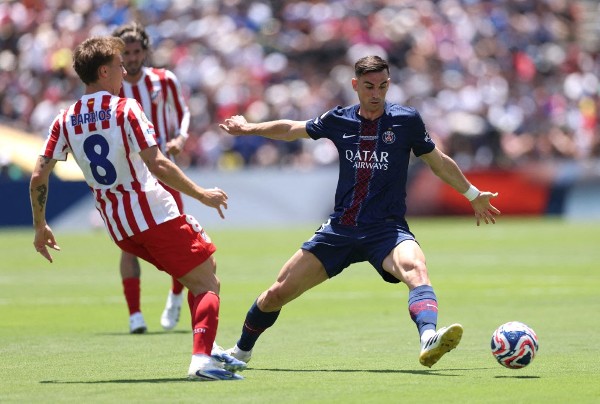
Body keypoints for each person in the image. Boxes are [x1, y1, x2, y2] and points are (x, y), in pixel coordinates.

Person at [219, 55, 500, 368]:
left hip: (386, 229)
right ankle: (240, 352)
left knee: (416, 269)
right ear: (355, 85)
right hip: (341, 228)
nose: (376, 93)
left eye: (382, 86)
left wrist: (472, 194)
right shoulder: (339, 119)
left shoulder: (406, 120)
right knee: (276, 293)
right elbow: (291, 129)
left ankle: (428, 338)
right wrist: (248, 128)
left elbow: (438, 162)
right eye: (369, 86)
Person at [29, 36, 245, 381]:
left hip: (120, 228)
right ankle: (202, 362)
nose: (124, 70)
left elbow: (39, 175)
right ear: (103, 71)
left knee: (204, 268)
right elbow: (157, 163)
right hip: (153, 215)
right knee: (208, 284)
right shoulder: (125, 109)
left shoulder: (65, 119)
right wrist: (202, 194)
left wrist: (40, 226)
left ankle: (208, 344)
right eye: (118, 65)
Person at [112, 22, 190, 334]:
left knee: (179, 237)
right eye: (126, 53)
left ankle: (176, 295)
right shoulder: (113, 87)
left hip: (164, 168)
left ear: (144, 51)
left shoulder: (164, 79)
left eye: (136, 51)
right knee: (129, 244)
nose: (132, 58)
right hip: (129, 175)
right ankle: (135, 315)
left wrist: (180, 138)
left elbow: (183, 113)